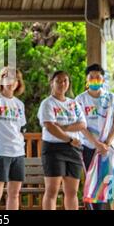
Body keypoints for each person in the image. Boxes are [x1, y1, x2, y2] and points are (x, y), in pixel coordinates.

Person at [37, 71, 86, 210]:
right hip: (54, 149)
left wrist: (63, 127)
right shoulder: (47, 103)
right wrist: (69, 138)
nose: (62, 84)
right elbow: (50, 126)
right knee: (52, 191)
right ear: (51, 82)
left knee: (72, 192)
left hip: (74, 149)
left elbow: (82, 124)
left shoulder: (73, 104)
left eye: (65, 80)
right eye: (58, 81)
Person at [75, 64, 114, 209]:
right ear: (87, 79)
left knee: (107, 185)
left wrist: (106, 143)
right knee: (91, 185)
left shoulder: (111, 97)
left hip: (107, 149)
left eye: (98, 77)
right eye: (91, 77)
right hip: (88, 148)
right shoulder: (80, 99)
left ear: (102, 79)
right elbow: (80, 125)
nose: (95, 80)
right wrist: (96, 144)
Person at [0, 67, 26, 210]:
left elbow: (21, 129)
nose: (9, 82)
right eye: (6, 78)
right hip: (0, 151)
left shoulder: (19, 104)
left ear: (17, 83)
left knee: (14, 193)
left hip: (18, 153)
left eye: (13, 79)